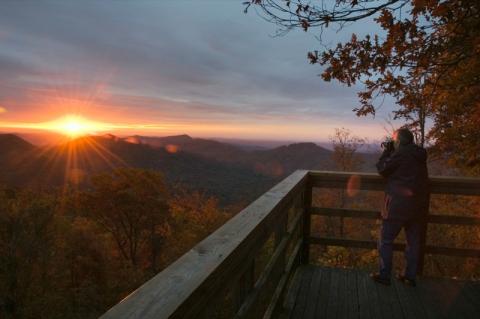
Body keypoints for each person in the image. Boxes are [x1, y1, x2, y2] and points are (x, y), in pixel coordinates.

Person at [370, 128, 429, 287]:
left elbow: (382, 169)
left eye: (394, 140)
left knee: (386, 240)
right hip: (418, 206)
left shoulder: (400, 154)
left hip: (397, 205)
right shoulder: (420, 154)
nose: (393, 142)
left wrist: (386, 152)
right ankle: (409, 276)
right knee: (413, 242)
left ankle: (384, 275)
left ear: (399, 141)